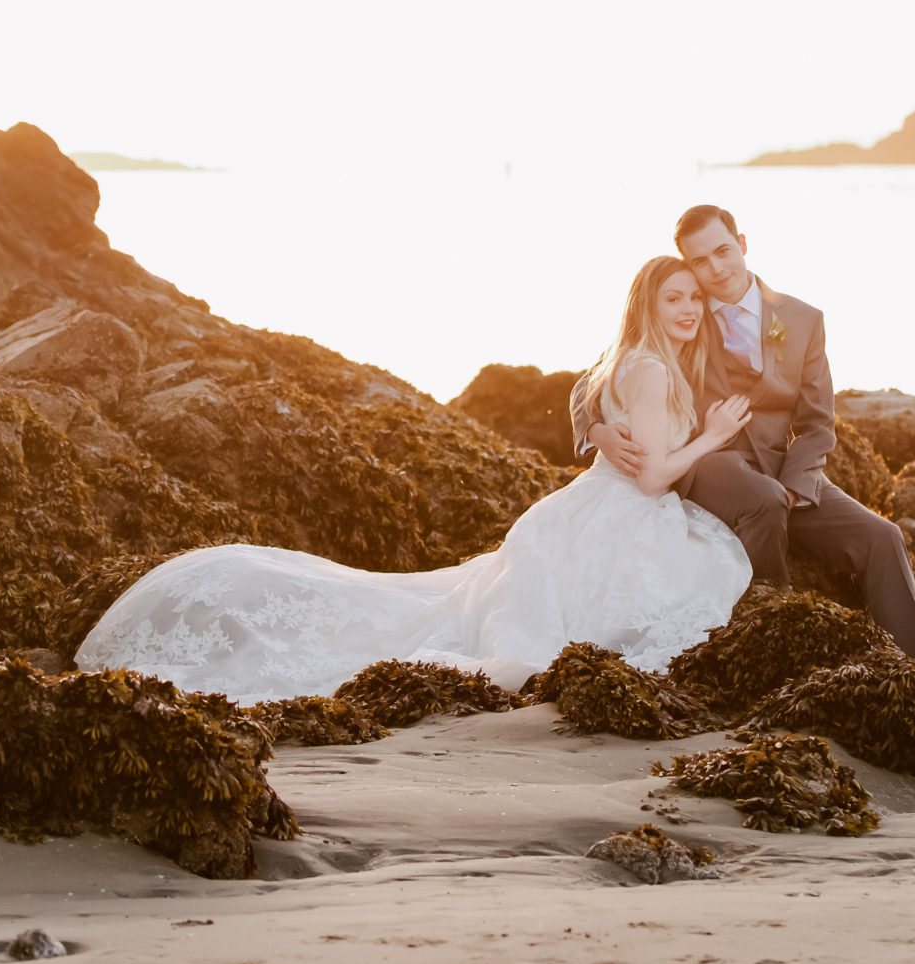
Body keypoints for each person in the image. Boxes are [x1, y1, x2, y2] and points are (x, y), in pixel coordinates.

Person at [73, 256, 754, 703]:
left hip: (579, 513)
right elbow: (654, 478)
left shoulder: (627, 360)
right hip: (618, 514)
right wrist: (715, 436)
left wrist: (609, 431)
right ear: (648, 304)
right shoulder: (653, 369)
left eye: (695, 297)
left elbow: (594, 401)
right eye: (675, 297)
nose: (689, 308)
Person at [584, 204, 915, 661]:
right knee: (762, 501)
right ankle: (776, 626)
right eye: (700, 261)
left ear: (743, 245)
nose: (714, 269)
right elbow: (602, 372)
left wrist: (796, 489)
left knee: (882, 535)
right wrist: (596, 429)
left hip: (780, 469)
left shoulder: (802, 319)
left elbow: (816, 424)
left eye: (723, 251)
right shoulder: (685, 311)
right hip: (708, 461)